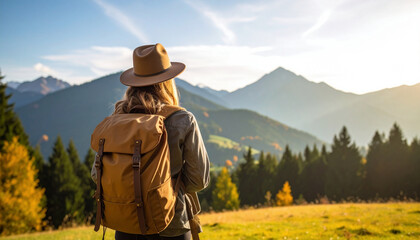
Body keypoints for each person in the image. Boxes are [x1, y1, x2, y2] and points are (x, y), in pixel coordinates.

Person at [91, 43, 210, 240]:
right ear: (167, 82)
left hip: (125, 226)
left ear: (134, 82)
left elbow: (97, 174)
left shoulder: (116, 120)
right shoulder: (182, 120)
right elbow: (199, 180)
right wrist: (166, 188)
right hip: (171, 225)